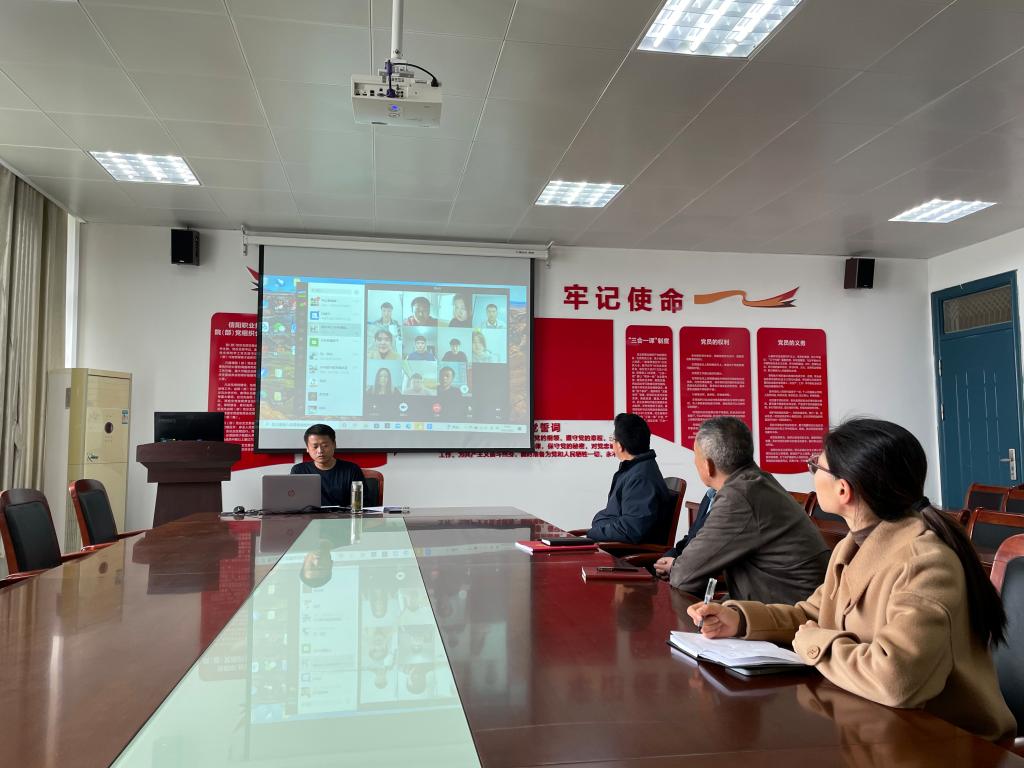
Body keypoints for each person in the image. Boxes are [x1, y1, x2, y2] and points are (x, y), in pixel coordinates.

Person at [687, 418, 1016, 743]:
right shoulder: (853, 545)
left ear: (843, 490)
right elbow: (811, 614)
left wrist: (815, 644)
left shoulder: (924, 563)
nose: (812, 472)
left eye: (817, 465)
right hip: (880, 726)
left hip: (949, 743)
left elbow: (896, 679)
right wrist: (739, 619)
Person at [660, 416, 829, 603]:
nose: (694, 462)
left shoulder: (738, 497)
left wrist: (676, 567)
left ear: (708, 466)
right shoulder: (755, 482)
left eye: (695, 456)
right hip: (783, 601)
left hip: (792, 611)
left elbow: (684, 577)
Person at [586, 413, 673, 544]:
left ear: (620, 446)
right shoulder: (636, 470)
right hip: (618, 546)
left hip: (627, 552)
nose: (612, 443)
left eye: (613, 439)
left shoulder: (640, 478)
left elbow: (630, 530)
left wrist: (593, 532)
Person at [291, 424, 364, 507]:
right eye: (315, 446)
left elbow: (363, 503)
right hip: (309, 514)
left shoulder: (351, 470)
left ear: (334, 445)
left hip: (343, 515)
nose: (320, 451)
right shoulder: (299, 471)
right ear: (307, 448)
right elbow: (293, 501)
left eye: (325, 446)